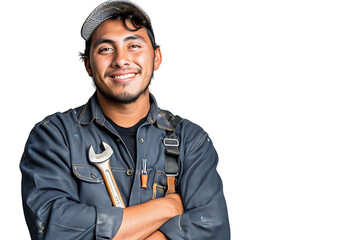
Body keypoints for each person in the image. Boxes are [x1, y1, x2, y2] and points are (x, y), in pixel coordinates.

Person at [20, 0, 230, 239]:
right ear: (88, 64)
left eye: (134, 46)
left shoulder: (191, 141)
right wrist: (166, 207)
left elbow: (212, 229)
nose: (121, 60)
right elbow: (55, 229)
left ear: (156, 58)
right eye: (106, 49)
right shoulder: (54, 137)